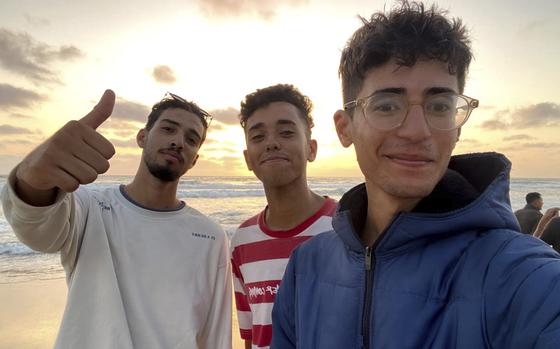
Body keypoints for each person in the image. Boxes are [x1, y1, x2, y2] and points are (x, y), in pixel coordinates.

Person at [271, 2, 560, 348]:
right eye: (387, 106)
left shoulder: (521, 276)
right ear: (345, 128)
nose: (416, 131)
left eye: (439, 106)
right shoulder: (306, 269)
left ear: (457, 129)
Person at [1, 90, 232, 349]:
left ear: (195, 160)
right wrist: (34, 178)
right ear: (142, 137)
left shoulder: (211, 235)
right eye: (168, 129)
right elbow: (37, 229)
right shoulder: (90, 208)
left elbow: (216, 337)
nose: (178, 141)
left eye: (191, 139)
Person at [230, 84, 337, 349]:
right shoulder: (242, 241)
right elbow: (253, 336)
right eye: (258, 137)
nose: (272, 143)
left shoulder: (346, 226)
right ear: (248, 159)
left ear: (311, 148)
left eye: (286, 132)